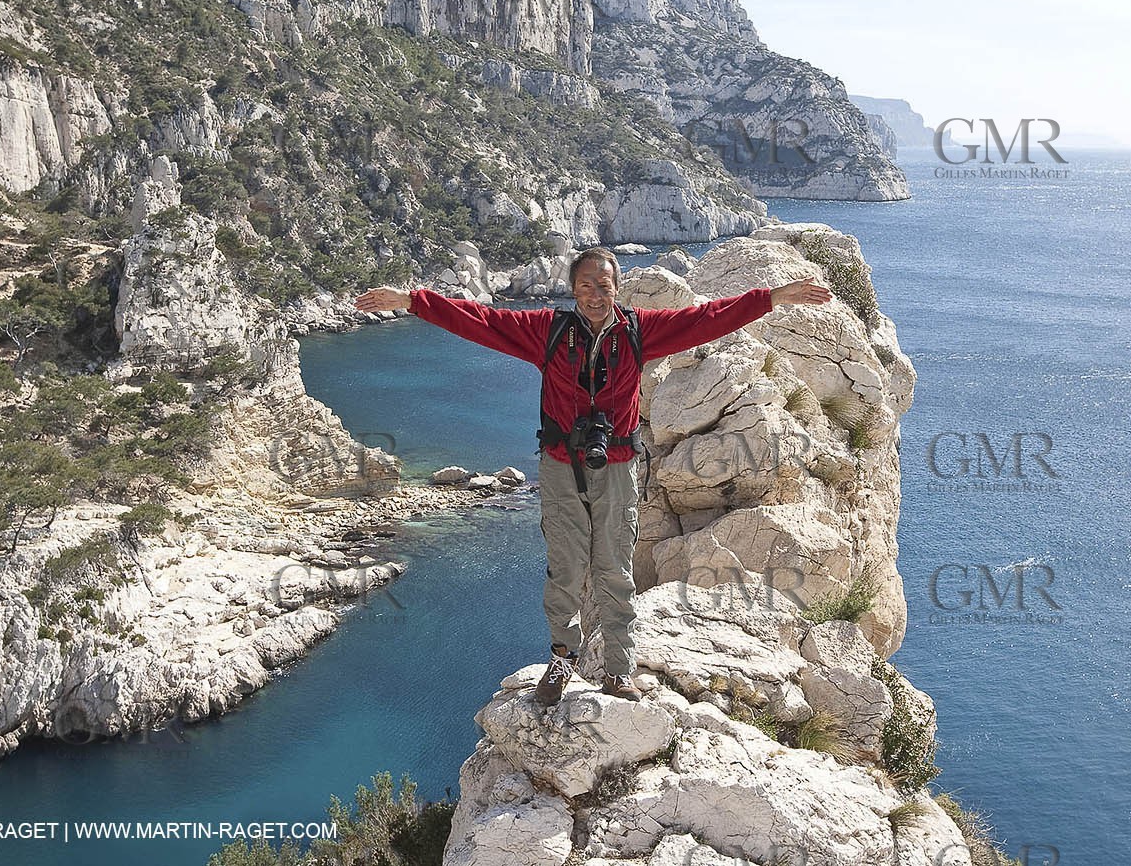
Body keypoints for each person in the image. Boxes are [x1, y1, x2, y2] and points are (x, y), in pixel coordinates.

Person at [354, 247, 831, 705]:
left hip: (618, 467)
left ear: (617, 288)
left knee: (614, 567)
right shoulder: (548, 331)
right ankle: (562, 660)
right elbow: (482, 321)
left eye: (604, 285)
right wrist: (414, 300)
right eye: (586, 286)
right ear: (573, 290)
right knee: (565, 568)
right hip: (560, 467)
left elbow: (708, 319)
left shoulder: (640, 332)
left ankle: (619, 671)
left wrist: (770, 298)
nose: (595, 295)